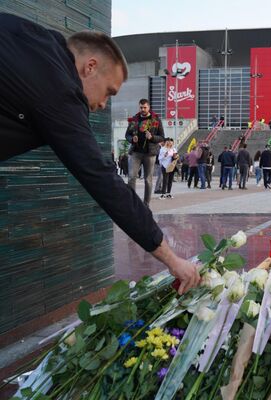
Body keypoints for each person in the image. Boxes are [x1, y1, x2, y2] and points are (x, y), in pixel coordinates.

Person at [0, 14, 200, 294]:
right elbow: (101, 178)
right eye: (109, 92)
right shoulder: (59, 87)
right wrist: (171, 259)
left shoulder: (36, 43)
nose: (104, 104)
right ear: (90, 67)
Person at [125, 98, 165, 206]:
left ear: (149, 107)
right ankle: (132, 202)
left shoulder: (156, 120)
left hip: (150, 153)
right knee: (131, 177)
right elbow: (127, 134)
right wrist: (131, 139)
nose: (143, 109)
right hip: (136, 152)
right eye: (141, 107)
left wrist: (152, 137)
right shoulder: (134, 119)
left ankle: (146, 204)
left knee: (148, 179)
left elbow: (162, 138)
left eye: (145, 107)